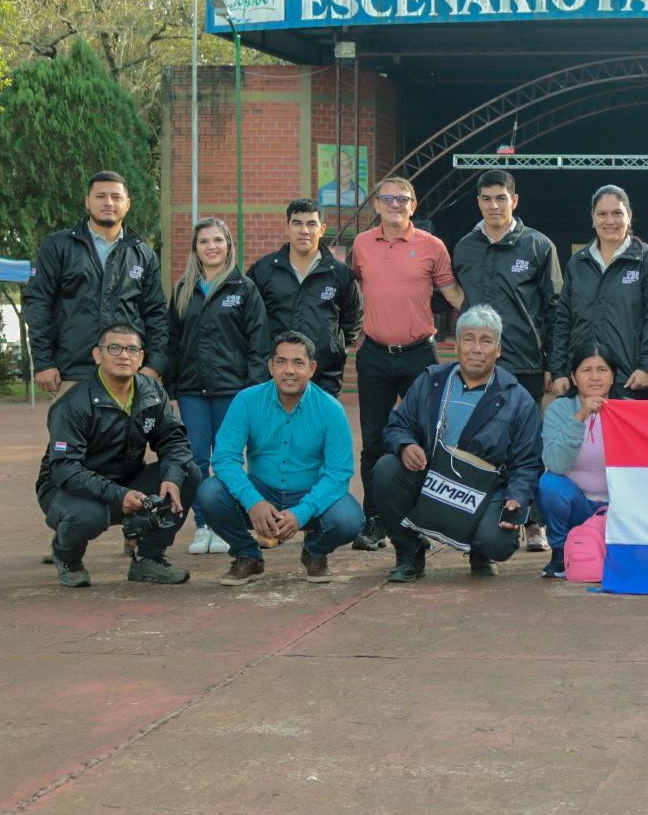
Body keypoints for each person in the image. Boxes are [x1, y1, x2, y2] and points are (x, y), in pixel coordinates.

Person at [374, 305, 542, 581]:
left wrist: (517, 496)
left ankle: (481, 552)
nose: (477, 349)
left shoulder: (517, 398)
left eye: (486, 341)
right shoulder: (431, 381)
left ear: (498, 350)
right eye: (469, 339)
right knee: (386, 469)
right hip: (431, 479)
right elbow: (397, 425)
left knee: (497, 541)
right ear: (457, 345)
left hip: (484, 491)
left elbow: (528, 461)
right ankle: (409, 550)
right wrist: (405, 445)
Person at [36, 323, 200, 588]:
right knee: (88, 515)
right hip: (68, 489)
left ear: (141, 358)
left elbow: (174, 440)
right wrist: (118, 495)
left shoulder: (152, 391)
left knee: (188, 472)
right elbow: (65, 468)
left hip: (126, 480)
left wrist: (171, 477)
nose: (124, 355)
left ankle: (149, 559)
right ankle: (67, 557)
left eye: (132, 349)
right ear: (97, 355)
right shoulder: (73, 404)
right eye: (114, 348)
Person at [450, 170, 563, 552]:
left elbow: (555, 308)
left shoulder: (538, 245)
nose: (493, 205)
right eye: (486, 198)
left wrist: (553, 364)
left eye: (501, 198)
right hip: (477, 367)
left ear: (514, 200)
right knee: (479, 443)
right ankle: (478, 520)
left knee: (527, 446)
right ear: (478, 202)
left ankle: (533, 522)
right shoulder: (465, 247)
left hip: (525, 363)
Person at [349, 177, 465, 550]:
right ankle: (375, 520)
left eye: (402, 199)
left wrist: (489, 322)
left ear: (413, 205)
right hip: (374, 355)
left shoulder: (433, 246)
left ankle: (422, 517)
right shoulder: (361, 244)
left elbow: (455, 295)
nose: (395, 204)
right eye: (387, 198)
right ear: (376, 205)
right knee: (373, 441)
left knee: (426, 438)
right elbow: (351, 289)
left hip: (419, 355)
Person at [196, 331, 363, 585]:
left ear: (312, 368)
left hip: (310, 493)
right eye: (282, 362)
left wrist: (302, 512)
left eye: (298, 363)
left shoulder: (331, 410)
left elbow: (338, 473)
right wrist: (253, 501)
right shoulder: (247, 401)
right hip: (261, 491)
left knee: (349, 520)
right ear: (271, 366)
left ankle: (315, 552)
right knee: (210, 493)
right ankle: (248, 555)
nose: (289, 370)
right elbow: (224, 458)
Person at [166, 217, 270, 555]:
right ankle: (203, 525)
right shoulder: (183, 290)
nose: (211, 246)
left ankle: (227, 525)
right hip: (192, 391)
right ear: (195, 249)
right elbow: (172, 343)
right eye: (204, 241)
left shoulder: (244, 288)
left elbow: (259, 345)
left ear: (228, 245)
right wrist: (171, 390)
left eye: (217, 240)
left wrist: (253, 391)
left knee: (228, 460)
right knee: (196, 460)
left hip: (232, 392)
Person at [24, 171, 168, 398]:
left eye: (116, 197)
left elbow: (156, 314)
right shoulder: (58, 246)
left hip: (127, 375)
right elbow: (38, 304)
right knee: (70, 425)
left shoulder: (143, 255)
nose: (108, 202)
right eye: (100, 196)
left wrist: (154, 365)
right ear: (87, 202)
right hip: (72, 372)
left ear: (127, 204)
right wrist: (43, 362)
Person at [549, 185, 648, 399]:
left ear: (629, 216)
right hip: (582, 382)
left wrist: (647, 366)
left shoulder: (646, 260)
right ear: (593, 218)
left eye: (617, 213)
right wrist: (558, 371)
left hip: (630, 380)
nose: (609, 221)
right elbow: (564, 319)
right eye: (602, 214)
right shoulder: (578, 263)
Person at [247, 198, 364, 396]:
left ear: (322, 229)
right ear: (287, 228)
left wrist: (335, 348)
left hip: (324, 376)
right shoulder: (263, 270)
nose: (304, 230)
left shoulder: (340, 273)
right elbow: (250, 319)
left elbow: (352, 319)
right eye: (297, 223)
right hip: (274, 376)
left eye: (311, 224)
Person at [536, 344, 622, 578]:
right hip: (579, 506)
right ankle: (560, 551)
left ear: (613, 376)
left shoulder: (628, 409)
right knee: (550, 483)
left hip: (618, 509)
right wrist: (580, 416)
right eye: (586, 370)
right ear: (574, 377)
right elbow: (556, 464)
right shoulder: (559, 409)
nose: (595, 377)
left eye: (602, 370)